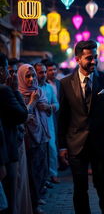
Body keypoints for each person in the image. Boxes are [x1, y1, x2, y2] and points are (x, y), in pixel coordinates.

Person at [58, 40, 104, 214]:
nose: (94, 61)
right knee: (79, 188)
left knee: (103, 184)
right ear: (78, 59)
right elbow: (63, 117)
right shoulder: (65, 83)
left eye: (95, 57)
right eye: (89, 58)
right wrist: (62, 146)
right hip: (76, 143)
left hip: (101, 141)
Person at [18, 64, 50, 214]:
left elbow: (48, 111)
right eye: (27, 76)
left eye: (33, 76)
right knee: (31, 172)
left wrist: (47, 107)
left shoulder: (39, 91)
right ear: (21, 78)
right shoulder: (18, 94)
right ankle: (33, 204)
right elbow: (22, 116)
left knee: (41, 170)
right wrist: (32, 102)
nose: (31, 79)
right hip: (28, 139)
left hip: (42, 136)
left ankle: (37, 198)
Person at [0, 53, 29, 214]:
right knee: (10, 198)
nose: (9, 74)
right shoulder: (4, 90)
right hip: (7, 151)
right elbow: (22, 115)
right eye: (7, 69)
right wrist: (16, 90)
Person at [34, 63, 60, 184]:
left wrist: (48, 107)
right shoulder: (31, 88)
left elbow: (57, 104)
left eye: (44, 72)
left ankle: (53, 174)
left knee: (52, 148)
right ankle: (43, 179)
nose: (43, 75)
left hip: (48, 122)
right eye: (40, 72)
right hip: (35, 124)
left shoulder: (49, 88)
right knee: (40, 152)